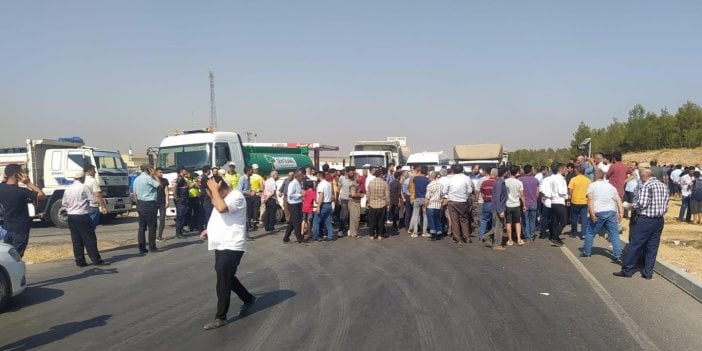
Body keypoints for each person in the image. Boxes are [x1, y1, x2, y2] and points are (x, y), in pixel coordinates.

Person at [200, 176, 257, 330]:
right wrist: (208, 230)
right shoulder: (222, 197)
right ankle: (248, 298)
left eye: (212, 193)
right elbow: (220, 216)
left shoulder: (236, 197)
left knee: (223, 279)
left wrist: (214, 190)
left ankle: (221, 317)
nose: (211, 197)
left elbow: (222, 208)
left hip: (232, 245)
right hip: (221, 243)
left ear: (221, 189)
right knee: (227, 276)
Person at [614, 169, 669, 279]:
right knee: (652, 247)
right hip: (658, 219)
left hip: (645, 219)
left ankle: (627, 270)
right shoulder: (663, 186)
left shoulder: (646, 185)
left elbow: (642, 203)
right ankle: (648, 272)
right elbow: (666, 204)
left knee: (635, 244)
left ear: (644, 177)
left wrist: (630, 205)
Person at [62, 170, 109, 267]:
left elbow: (64, 203)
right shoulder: (84, 187)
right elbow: (92, 200)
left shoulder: (68, 188)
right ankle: (96, 260)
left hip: (71, 216)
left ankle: (80, 261)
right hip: (82, 215)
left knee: (76, 240)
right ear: (82, 178)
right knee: (89, 239)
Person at [0, 164, 46, 257]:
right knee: (17, 256)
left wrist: (6, 177)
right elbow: (41, 195)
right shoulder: (22, 191)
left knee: (7, 254)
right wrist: (28, 183)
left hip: (6, 226)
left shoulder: (1, 188)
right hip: (20, 227)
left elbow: (4, 182)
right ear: (17, 175)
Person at [581, 169, 624, 261]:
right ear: (603, 176)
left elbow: (590, 200)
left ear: (595, 176)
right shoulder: (610, 186)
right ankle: (617, 255)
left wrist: (592, 214)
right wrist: (621, 213)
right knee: (614, 234)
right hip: (611, 211)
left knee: (590, 232)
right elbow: (618, 199)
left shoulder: (592, 186)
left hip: (599, 211)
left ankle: (587, 252)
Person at [133, 164, 161, 253]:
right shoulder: (148, 178)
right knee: (152, 226)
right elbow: (159, 185)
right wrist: (154, 175)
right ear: (148, 169)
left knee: (141, 227)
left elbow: (134, 193)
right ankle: (152, 247)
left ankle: (141, 247)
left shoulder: (136, 179)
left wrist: (138, 203)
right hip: (149, 203)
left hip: (140, 203)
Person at [444, 164, 473, 244]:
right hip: (463, 201)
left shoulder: (450, 179)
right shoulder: (466, 178)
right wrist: (465, 196)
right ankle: (466, 237)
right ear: (462, 170)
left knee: (454, 221)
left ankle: (458, 238)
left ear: (453, 170)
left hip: (452, 201)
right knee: (464, 219)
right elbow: (470, 191)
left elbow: (445, 191)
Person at [504, 166, 526, 246]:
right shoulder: (519, 182)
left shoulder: (505, 181)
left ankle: (510, 240)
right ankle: (519, 239)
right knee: (517, 222)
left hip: (507, 204)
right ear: (517, 172)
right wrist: (524, 205)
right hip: (516, 204)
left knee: (508, 222)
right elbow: (522, 195)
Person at [568, 166, 591, 239]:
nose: (575, 172)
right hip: (584, 202)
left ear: (578, 171)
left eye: (575, 171)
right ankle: (583, 234)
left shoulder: (573, 179)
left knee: (574, 218)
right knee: (584, 219)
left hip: (575, 201)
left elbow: (570, 191)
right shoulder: (588, 180)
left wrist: (568, 200)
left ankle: (573, 233)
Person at [366, 169, 390, 240]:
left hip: (372, 204)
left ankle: (371, 235)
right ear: (381, 175)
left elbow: (368, 194)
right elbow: (387, 195)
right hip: (382, 204)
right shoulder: (384, 183)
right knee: (381, 221)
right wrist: (388, 203)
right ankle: (379, 235)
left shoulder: (370, 183)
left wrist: (367, 202)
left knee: (372, 220)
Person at [549, 164, 568, 247]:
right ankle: (554, 237)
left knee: (555, 221)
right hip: (559, 201)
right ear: (561, 169)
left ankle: (555, 237)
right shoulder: (560, 179)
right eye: (565, 169)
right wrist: (567, 195)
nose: (566, 171)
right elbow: (561, 191)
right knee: (564, 221)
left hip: (553, 201)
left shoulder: (553, 178)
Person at [312, 172, 334, 241]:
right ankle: (330, 236)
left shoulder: (321, 185)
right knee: (328, 221)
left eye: (317, 176)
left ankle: (316, 236)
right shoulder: (328, 184)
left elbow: (321, 195)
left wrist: (318, 206)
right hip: (328, 204)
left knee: (316, 221)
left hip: (323, 204)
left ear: (319, 176)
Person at [283, 171, 304, 243]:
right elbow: (290, 195)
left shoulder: (299, 183)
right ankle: (299, 238)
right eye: (302, 176)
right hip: (293, 204)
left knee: (292, 222)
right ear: (298, 176)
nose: (302, 178)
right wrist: (300, 195)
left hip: (298, 203)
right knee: (297, 222)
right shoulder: (293, 183)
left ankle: (286, 237)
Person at [490, 166, 508, 250]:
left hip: (500, 207)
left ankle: (487, 237)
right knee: (498, 227)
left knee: (499, 226)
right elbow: (497, 198)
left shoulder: (500, 182)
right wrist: (500, 210)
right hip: (499, 208)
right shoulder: (499, 183)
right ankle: (497, 244)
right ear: (505, 173)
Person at [520, 165, 539, 242]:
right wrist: (534, 198)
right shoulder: (536, 180)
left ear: (524, 171)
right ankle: (531, 236)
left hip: (524, 203)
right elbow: (537, 193)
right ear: (531, 170)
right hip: (533, 203)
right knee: (532, 221)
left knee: (525, 221)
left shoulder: (520, 180)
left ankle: (527, 236)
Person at [409, 166, 430, 237]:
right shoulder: (427, 180)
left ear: (420, 171)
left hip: (417, 198)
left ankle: (415, 232)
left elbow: (411, 183)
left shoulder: (415, 178)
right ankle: (424, 232)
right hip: (425, 199)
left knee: (415, 215)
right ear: (426, 172)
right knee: (425, 215)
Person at [425, 171, 444, 241]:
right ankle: (439, 234)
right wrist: (441, 201)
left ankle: (433, 234)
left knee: (431, 220)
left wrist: (425, 207)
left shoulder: (430, 185)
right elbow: (442, 195)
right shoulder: (440, 185)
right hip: (438, 205)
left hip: (431, 204)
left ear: (431, 177)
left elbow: (427, 197)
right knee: (437, 220)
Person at [479, 168, 497, 242]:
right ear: (496, 174)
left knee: (484, 220)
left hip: (486, 203)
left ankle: (481, 236)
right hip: (495, 204)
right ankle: (493, 237)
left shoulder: (484, 182)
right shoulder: (497, 183)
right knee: (494, 221)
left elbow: (482, 193)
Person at [337, 167, 355, 236]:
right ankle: (341, 230)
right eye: (351, 172)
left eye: (353, 173)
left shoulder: (353, 179)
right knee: (343, 215)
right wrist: (337, 199)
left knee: (351, 215)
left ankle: (349, 229)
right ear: (347, 172)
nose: (352, 174)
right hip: (344, 199)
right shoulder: (341, 178)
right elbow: (338, 189)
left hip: (351, 199)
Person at [154, 167, 170, 241]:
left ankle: (159, 235)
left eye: (162, 172)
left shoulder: (165, 181)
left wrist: (167, 201)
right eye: (160, 172)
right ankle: (153, 235)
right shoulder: (152, 180)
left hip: (162, 202)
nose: (161, 174)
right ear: (156, 172)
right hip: (154, 202)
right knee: (153, 219)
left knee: (162, 219)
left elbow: (166, 191)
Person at [174, 167, 190, 239]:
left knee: (182, 216)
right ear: (181, 171)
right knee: (180, 216)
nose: (186, 171)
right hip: (181, 201)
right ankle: (178, 233)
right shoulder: (180, 178)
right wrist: (176, 196)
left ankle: (180, 231)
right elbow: (175, 186)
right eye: (185, 170)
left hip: (184, 200)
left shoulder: (183, 178)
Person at [249, 164, 264, 230]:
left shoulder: (249, 176)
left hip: (249, 194)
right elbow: (262, 188)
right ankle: (254, 224)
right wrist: (256, 190)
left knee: (250, 209)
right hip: (256, 195)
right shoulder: (260, 177)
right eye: (256, 169)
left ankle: (249, 224)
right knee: (255, 210)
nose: (256, 170)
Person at [348, 173, 362, 238]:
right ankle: (354, 233)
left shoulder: (356, 185)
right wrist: (360, 195)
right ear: (355, 177)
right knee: (355, 218)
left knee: (353, 218)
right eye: (359, 177)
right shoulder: (354, 185)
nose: (360, 178)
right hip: (354, 203)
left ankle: (352, 232)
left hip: (355, 202)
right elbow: (353, 194)